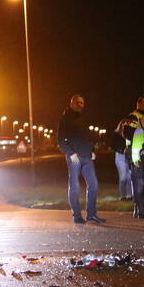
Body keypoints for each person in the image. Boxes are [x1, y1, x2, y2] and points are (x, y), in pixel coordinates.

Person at [58, 95, 103, 224]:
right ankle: (77, 215)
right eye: (77, 102)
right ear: (71, 103)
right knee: (75, 187)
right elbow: (61, 139)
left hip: (87, 157)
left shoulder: (83, 118)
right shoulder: (65, 118)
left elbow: (87, 136)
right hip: (74, 158)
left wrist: (92, 150)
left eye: (82, 103)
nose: (80, 105)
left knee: (93, 185)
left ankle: (91, 214)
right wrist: (70, 153)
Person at [114, 97, 144, 217]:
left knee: (141, 180)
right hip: (134, 151)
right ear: (138, 105)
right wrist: (141, 143)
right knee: (138, 179)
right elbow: (128, 134)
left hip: (141, 150)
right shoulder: (133, 117)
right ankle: (139, 208)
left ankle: (139, 207)